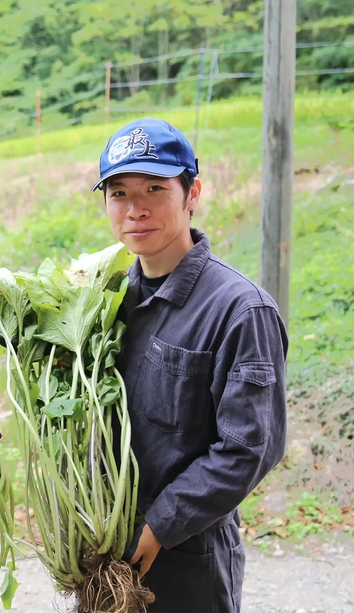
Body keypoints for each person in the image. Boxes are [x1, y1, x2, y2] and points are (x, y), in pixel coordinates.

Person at [92, 118, 288, 612]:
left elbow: (248, 447)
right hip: (105, 552)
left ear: (192, 192)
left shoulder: (240, 309)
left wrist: (160, 526)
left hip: (188, 556)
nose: (135, 209)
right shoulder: (103, 303)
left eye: (155, 188)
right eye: (118, 193)